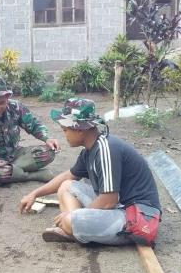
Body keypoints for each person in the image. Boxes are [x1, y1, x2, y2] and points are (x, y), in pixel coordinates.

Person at [19, 98, 161, 245]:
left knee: (69, 220)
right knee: (66, 186)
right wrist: (34, 194)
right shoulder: (91, 150)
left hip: (135, 216)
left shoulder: (107, 149)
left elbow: (108, 201)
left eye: (65, 130)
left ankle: (73, 228)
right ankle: (74, 229)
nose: (64, 135)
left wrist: (74, 215)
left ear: (80, 129)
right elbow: (68, 176)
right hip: (119, 204)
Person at [0, 75, 60, 185]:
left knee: (49, 152)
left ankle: (7, 174)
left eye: (1, 102)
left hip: (16, 154)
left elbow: (34, 124)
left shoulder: (16, 107)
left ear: (7, 97)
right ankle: (32, 175)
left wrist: (47, 138)